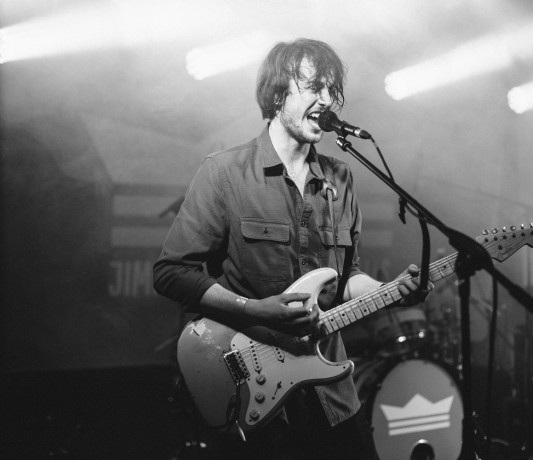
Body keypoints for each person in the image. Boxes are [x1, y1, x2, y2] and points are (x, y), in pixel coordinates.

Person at [153, 38, 432, 460]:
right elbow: (172, 272)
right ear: (277, 93)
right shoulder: (225, 173)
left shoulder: (340, 178)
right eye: (314, 87)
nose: (327, 100)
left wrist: (391, 291)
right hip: (255, 393)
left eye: (332, 90)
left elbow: (346, 278)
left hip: (331, 395)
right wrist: (255, 309)